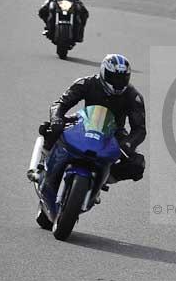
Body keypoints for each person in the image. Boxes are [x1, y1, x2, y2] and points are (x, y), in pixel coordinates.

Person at [39, 54, 146, 191]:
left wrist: (127, 144)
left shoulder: (133, 96)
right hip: (82, 121)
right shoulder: (87, 83)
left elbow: (140, 129)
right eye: (114, 77)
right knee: (50, 128)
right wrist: (57, 118)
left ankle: (104, 177)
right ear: (103, 72)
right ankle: (44, 160)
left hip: (114, 131)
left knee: (137, 164)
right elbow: (60, 103)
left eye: (122, 79)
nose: (118, 82)